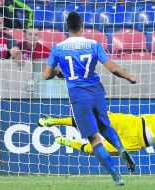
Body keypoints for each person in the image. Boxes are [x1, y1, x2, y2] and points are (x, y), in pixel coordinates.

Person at [39, 61, 155, 156]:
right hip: (134, 124)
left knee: (96, 150)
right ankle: (53, 121)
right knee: (94, 120)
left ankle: (65, 141)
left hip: (140, 143)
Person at [43, 11, 137, 186]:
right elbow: (112, 68)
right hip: (96, 93)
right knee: (105, 126)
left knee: (94, 139)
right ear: (82, 25)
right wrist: (128, 76)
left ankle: (116, 176)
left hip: (79, 98)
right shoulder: (94, 44)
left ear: (67, 27)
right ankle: (121, 148)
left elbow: (46, 75)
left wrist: (58, 72)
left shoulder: (58, 48)